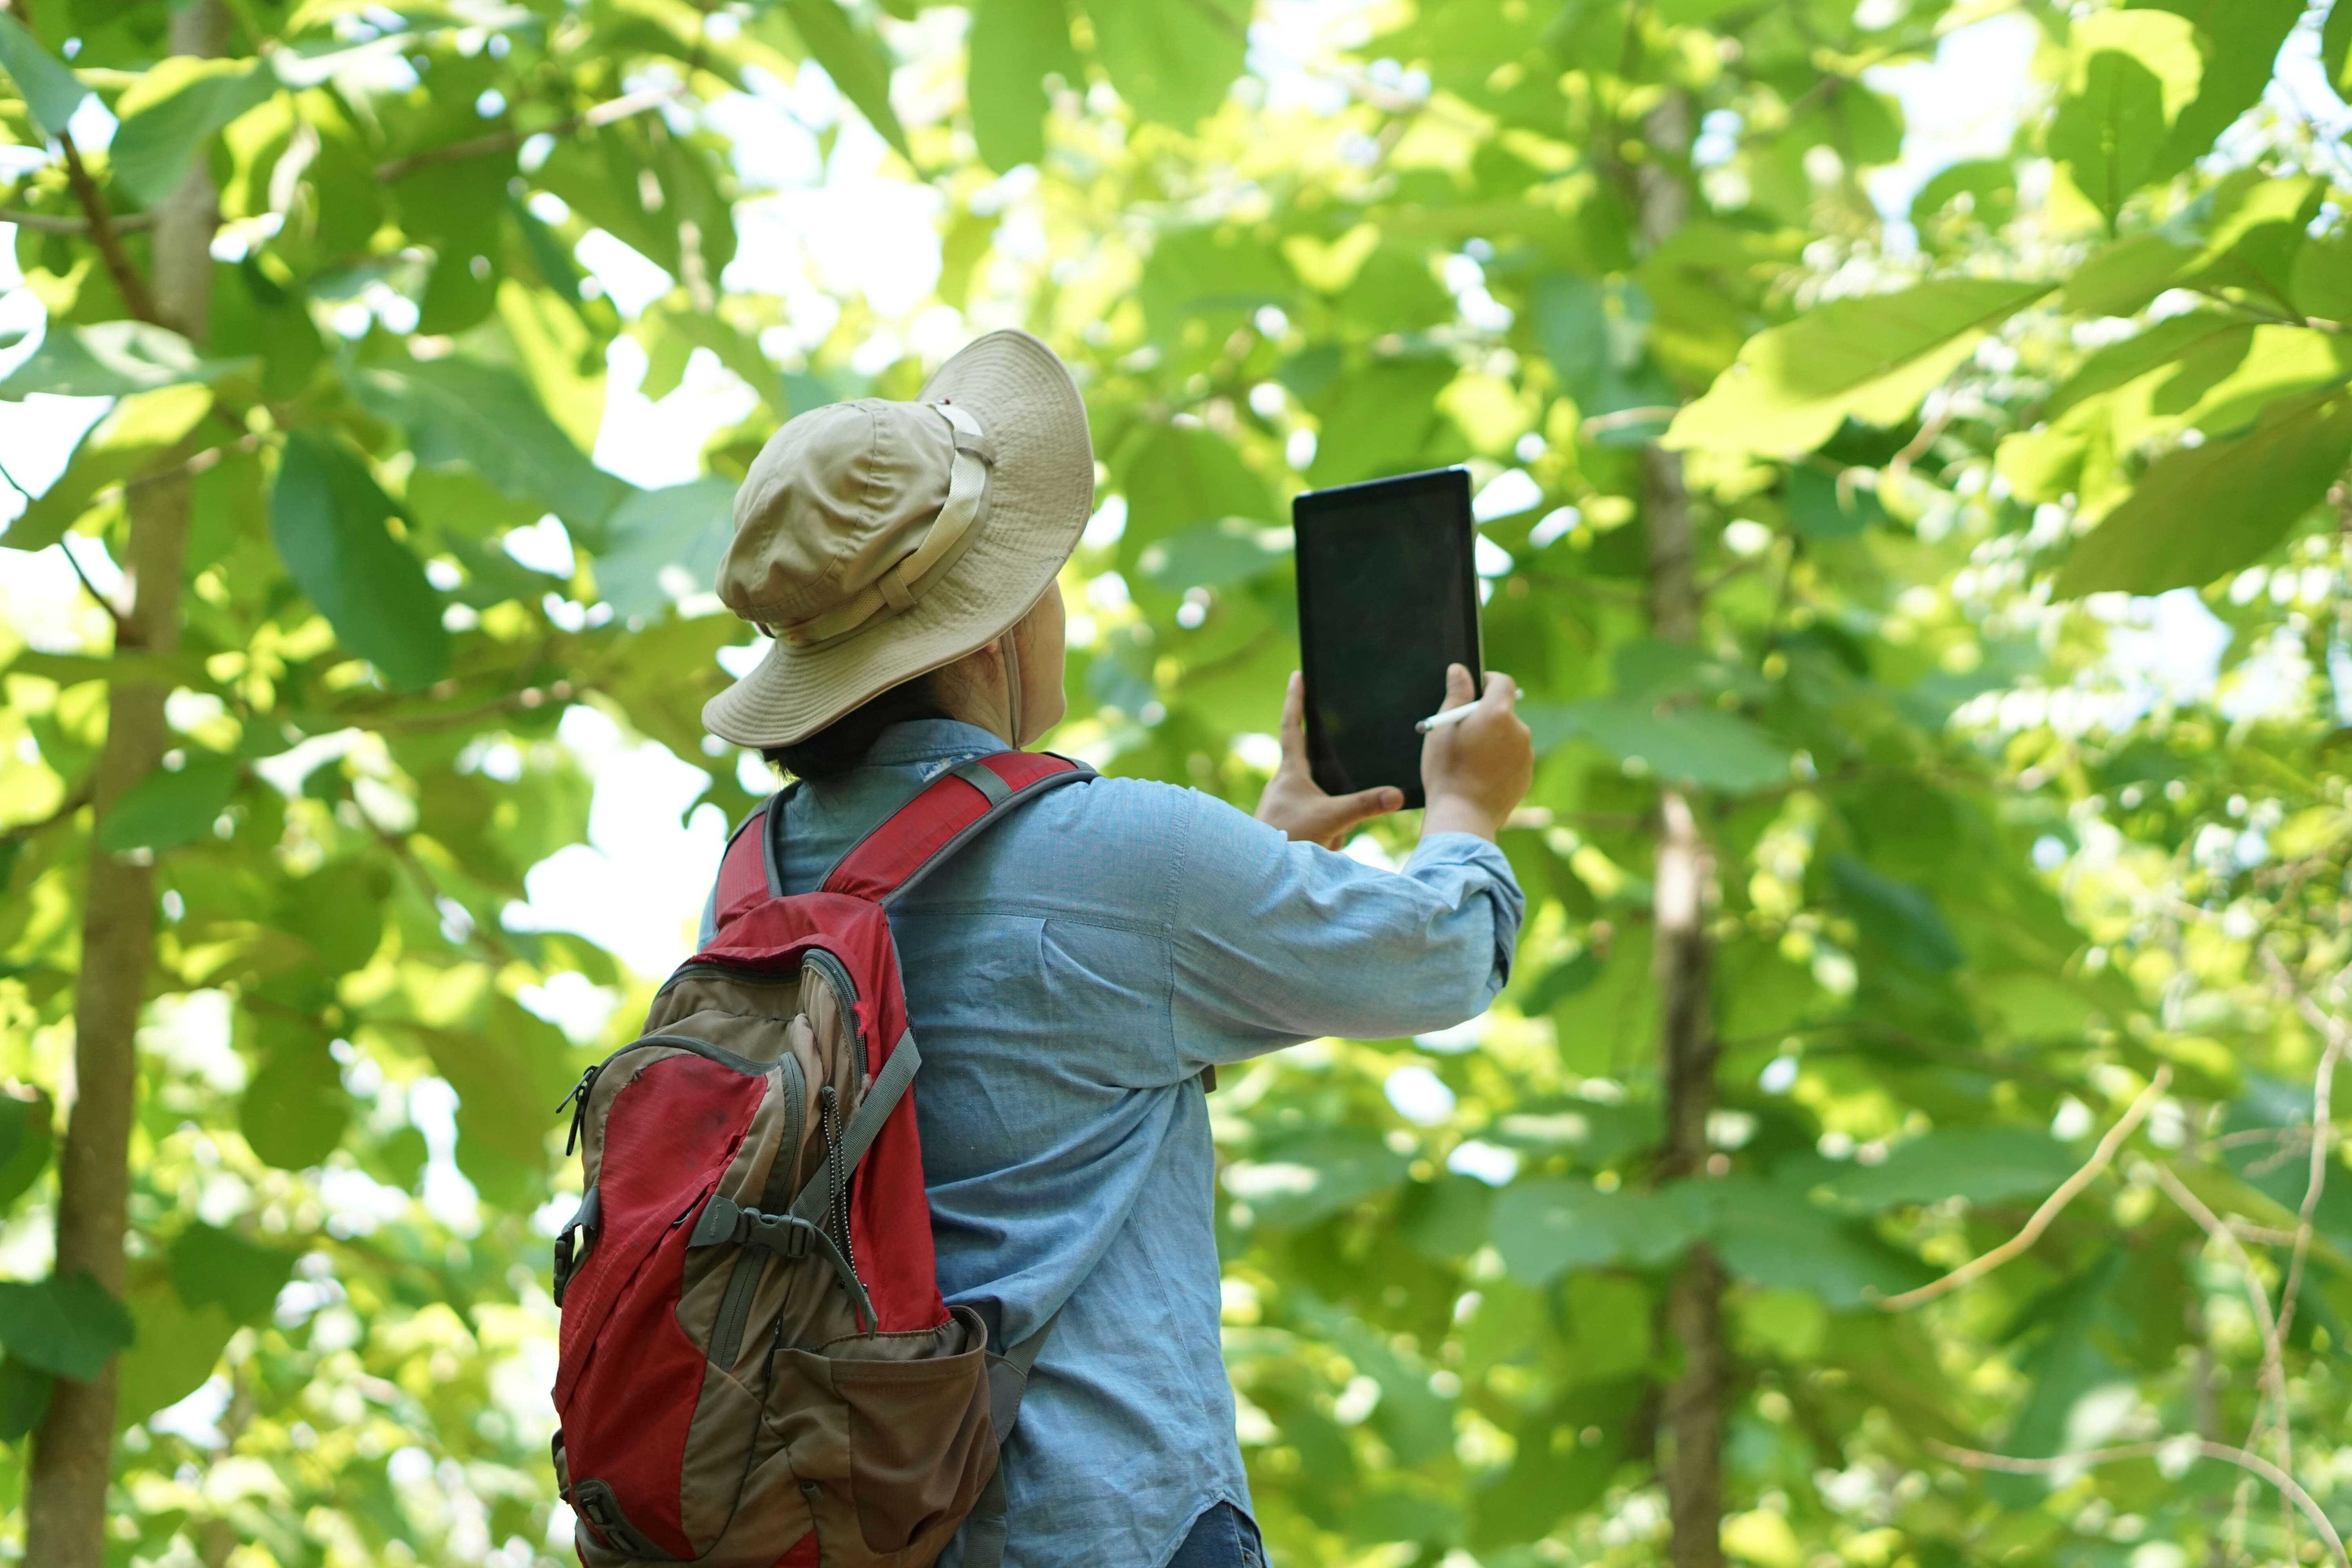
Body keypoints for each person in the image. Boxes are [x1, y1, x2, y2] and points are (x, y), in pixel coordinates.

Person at [695, 329, 1533, 1568]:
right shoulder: (1117, 849)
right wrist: (1466, 812)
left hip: (846, 1523)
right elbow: (1444, 957)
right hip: (1109, 1522)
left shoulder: (751, 880)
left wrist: (1269, 851)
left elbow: (1039, 1072)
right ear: (989, 634)